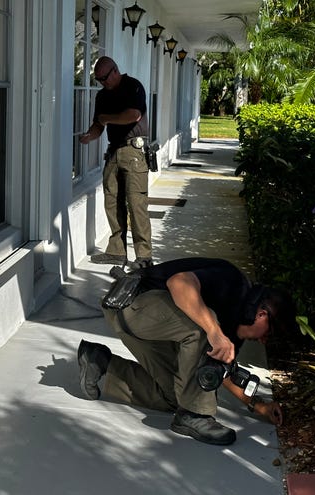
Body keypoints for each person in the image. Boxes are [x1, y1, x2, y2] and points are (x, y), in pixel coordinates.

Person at [77, 257, 296, 445]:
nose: (264, 341)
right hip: (130, 304)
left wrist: (257, 405)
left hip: (148, 326)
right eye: (269, 334)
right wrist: (213, 331)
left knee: (177, 396)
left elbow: (219, 369)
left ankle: (100, 362)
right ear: (262, 315)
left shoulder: (235, 327)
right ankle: (195, 415)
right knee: (204, 328)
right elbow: (179, 282)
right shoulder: (233, 282)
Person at [79, 56, 152, 266]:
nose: (103, 82)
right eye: (98, 80)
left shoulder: (133, 86)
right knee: (112, 202)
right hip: (113, 151)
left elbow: (134, 115)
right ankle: (117, 251)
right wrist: (89, 136)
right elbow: (98, 125)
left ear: (115, 71)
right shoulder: (102, 96)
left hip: (133, 152)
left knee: (136, 204)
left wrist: (106, 119)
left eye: (104, 78)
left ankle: (144, 257)